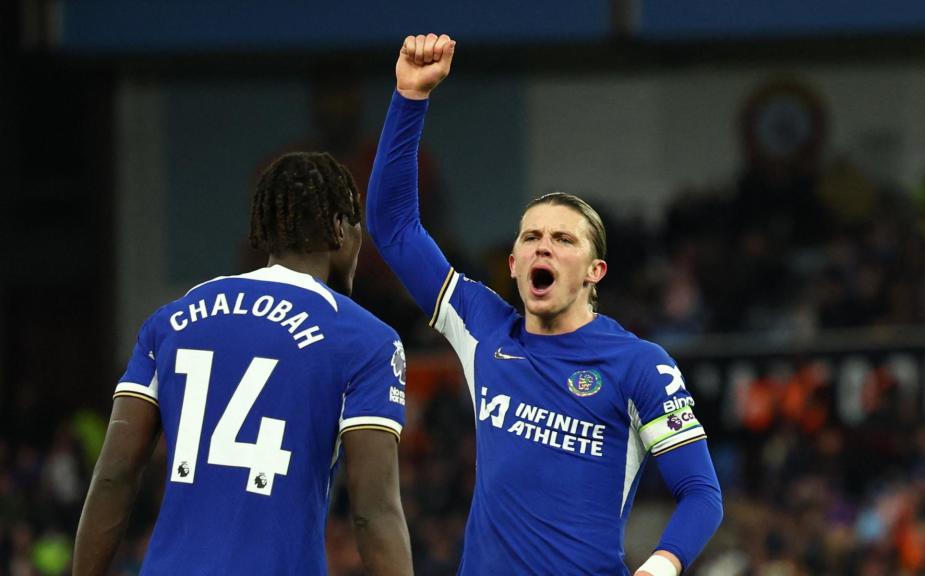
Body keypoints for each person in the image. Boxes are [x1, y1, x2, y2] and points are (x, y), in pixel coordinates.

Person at [366, 34, 723, 576]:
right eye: (531, 237)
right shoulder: (484, 326)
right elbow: (392, 228)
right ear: (512, 263)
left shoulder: (639, 364)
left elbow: (701, 492)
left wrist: (664, 563)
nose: (544, 246)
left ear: (594, 272)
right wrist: (409, 99)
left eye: (563, 239)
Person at [74, 152, 414, 576]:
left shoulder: (171, 320)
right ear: (339, 228)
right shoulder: (366, 340)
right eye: (357, 224)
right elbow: (373, 511)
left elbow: (114, 477)